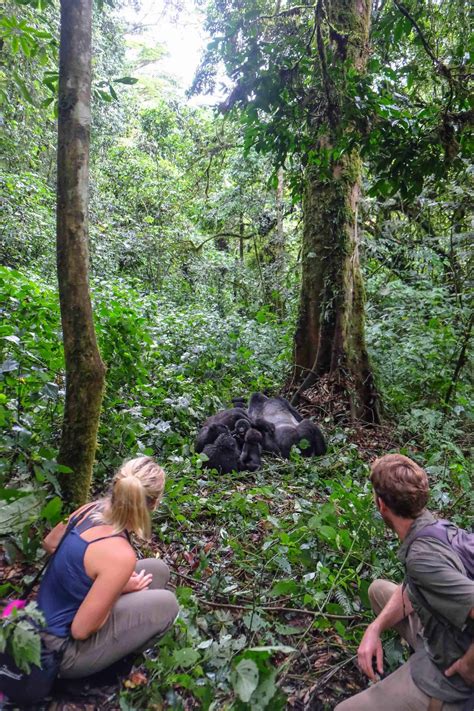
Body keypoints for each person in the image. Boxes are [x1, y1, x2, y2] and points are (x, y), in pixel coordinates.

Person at [335, 453, 474, 711]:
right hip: (445, 635)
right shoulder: (435, 527)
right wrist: (375, 629)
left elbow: (429, 574)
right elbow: (421, 587)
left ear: (381, 505)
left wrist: (468, 666)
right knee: (378, 590)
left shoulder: (422, 559)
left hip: (451, 681)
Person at [37, 456, 179, 679]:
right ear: (153, 504)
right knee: (168, 604)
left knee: (157, 570)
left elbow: (50, 542)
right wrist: (118, 586)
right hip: (59, 651)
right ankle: (107, 669)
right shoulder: (120, 555)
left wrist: (84, 576)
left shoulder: (89, 509)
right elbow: (81, 630)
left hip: (44, 615)